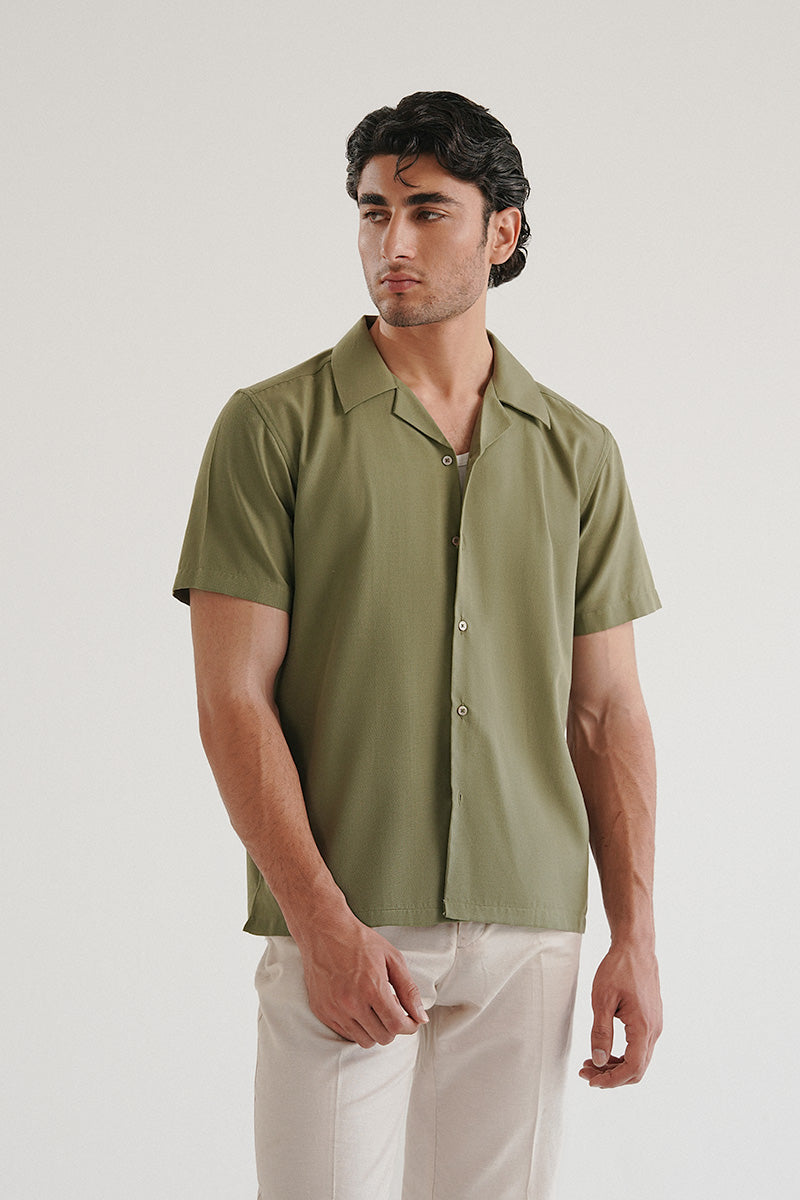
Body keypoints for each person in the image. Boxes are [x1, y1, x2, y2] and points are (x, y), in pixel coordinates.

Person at [173, 90, 663, 1200]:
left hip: (530, 925)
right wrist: (320, 924)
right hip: (347, 919)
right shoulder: (272, 428)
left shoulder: (578, 450)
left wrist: (632, 934)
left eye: (427, 211)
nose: (390, 241)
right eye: (371, 211)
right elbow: (231, 699)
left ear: (502, 231)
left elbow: (606, 711)